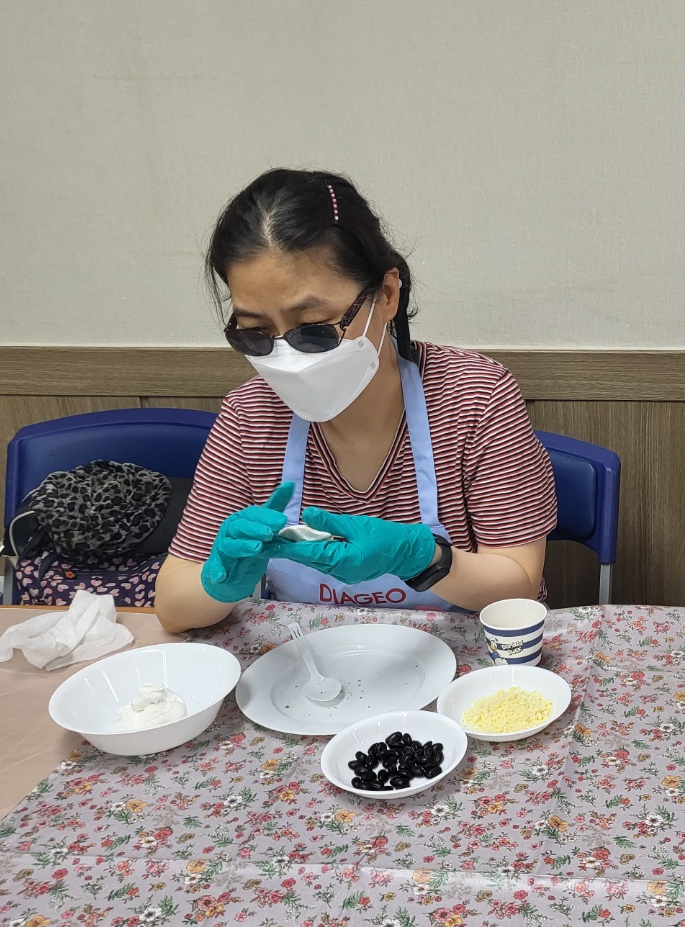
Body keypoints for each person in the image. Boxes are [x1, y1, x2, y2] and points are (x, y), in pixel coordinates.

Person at [155, 169, 557, 633]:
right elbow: (172, 605)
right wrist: (218, 583)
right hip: (310, 676)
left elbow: (520, 584)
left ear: (386, 295)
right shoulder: (251, 417)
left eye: (314, 328)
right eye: (256, 332)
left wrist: (425, 558)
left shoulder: (473, 396)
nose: (286, 356)